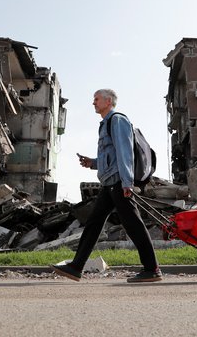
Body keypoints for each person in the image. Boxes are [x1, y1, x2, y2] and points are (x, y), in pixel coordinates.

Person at [51, 89, 162, 283]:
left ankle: (152, 269)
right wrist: (92, 163)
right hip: (110, 182)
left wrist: (127, 183)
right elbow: (109, 156)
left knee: (133, 224)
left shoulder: (117, 120)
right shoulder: (105, 124)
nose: (93, 103)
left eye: (96, 99)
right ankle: (76, 267)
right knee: (94, 223)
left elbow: (125, 152)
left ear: (108, 101)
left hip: (119, 182)